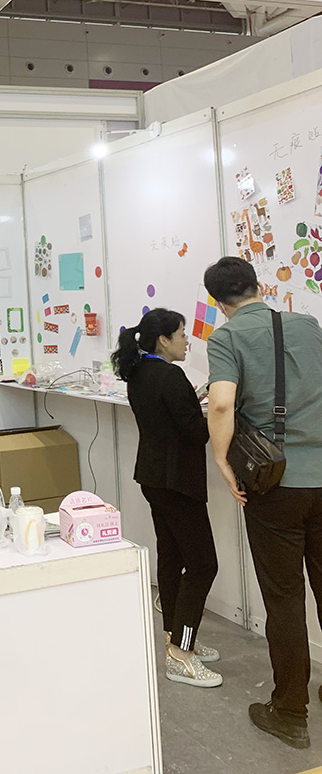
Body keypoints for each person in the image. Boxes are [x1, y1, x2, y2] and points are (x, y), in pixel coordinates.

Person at [205, 256, 322, 751]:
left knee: (284, 598)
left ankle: (290, 712)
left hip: (275, 486)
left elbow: (221, 402)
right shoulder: (308, 325)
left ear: (218, 302)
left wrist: (222, 460)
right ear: (259, 285)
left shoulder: (226, 338)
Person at [111, 308, 221, 689]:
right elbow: (194, 433)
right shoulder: (171, 377)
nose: (187, 341)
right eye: (182, 334)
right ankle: (181, 653)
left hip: (154, 477)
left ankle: (176, 637)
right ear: (164, 340)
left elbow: (169, 415)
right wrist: (219, 412)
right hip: (178, 483)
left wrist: (194, 400)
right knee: (203, 565)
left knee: (172, 557)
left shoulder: (138, 372)